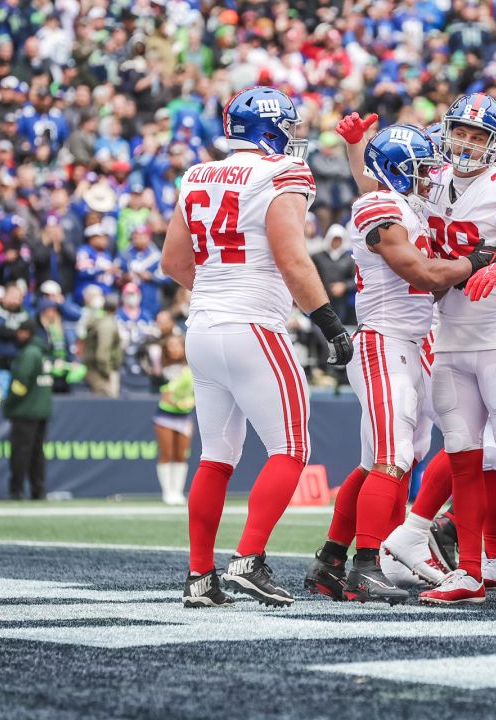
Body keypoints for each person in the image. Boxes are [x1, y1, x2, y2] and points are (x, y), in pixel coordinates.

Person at [366, 95, 496, 606]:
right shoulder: (428, 182)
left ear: (495, 144)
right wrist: (355, 149)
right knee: (462, 456)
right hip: (450, 336)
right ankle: (471, 573)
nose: (467, 143)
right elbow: (376, 189)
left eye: (479, 136)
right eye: (461, 131)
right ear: (446, 131)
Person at [160, 87, 353, 609]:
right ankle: (248, 559)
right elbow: (293, 261)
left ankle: (200, 577)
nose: (294, 140)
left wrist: (221, 288)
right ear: (269, 130)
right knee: (291, 449)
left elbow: (174, 263)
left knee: (216, 457)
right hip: (254, 328)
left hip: (202, 328)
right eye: (287, 129)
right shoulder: (280, 174)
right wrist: (332, 326)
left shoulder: (196, 174)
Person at [304, 123, 496, 605]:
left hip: (411, 342)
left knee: (383, 460)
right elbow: (421, 271)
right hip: (384, 340)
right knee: (392, 458)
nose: (429, 175)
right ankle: (367, 566)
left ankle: (330, 562)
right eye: (419, 168)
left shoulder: (404, 204)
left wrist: (357, 148)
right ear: (398, 170)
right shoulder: (379, 207)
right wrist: (477, 262)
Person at [4, 321, 53, 500]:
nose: (18, 336)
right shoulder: (43, 352)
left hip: (25, 410)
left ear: (27, 333)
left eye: (20, 332)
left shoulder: (29, 353)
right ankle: (38, 491)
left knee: (21, 453)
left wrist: (8, 403)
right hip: (42, 409)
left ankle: (16, 491)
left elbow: (21, 383)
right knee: (37, 454)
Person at [153, 335, 194, 506]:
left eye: (177, 345)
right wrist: (177, 402)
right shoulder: (162, 368)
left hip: (185, 416)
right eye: (171, 345)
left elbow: (197, 390)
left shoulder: (192, 367)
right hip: (165, 416)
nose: (174, 348)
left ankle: (178, 492)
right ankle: (167, 492)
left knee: (181, 455)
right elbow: (165, 392)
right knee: (166, 453)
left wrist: (191, 402)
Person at [79, 286, 122, 397]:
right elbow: (103, 353)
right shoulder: (106, 324)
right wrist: (107, 372)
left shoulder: (103, 321)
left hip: (96, 369)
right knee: (108, 406)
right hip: (100, 372)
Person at [310, 224, 357, 324]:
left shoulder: (349, 259)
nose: (336, 242)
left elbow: (355, 279)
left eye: (339, 239)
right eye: (334, 239)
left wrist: (344, 286)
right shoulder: (317, 257)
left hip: (341, 302)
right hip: (320, 299)